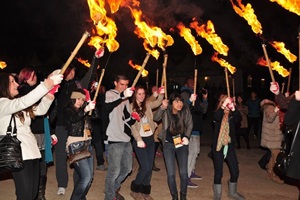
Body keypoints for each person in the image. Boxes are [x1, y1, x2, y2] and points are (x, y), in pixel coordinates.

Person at [0, 70, 62, 200]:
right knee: (25, 195)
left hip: (32, 153)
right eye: (12, 82)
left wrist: (50, 94)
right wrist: (47, 84)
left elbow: (40, 110)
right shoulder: (3, 104)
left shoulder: (16, 104)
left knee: (33, 193)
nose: (17, 84)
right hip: (18, 155)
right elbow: (25, 101)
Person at [18, 68, 58, 200]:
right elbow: (35, 100)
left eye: (35, 74)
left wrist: (51, 132)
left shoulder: (37, 90)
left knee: (42, 167)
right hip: (30, 135)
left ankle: (40, 194)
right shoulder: (23, 92)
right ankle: (28, 194)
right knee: (30, 169)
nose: (34, 77)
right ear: (24, 77)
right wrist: (48, 85)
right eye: (31, 75)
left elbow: (46, 112)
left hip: (43, 131)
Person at [153, 93, 193, 200]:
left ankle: (183, 196)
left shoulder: (185, 111)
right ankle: (174, 196)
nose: (179, 103)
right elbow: (155, 117)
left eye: (180, 101)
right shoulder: (166, 111)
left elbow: (190, 124)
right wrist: (162, 107)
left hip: (181, 144)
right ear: (171, 103)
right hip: (168, 145)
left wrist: (187, 137)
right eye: (176, 101)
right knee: (171, 174)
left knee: (184, 173)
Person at [129, 85, 164, 200]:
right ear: (135, 95)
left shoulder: (147, 104)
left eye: (143, 93)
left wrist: (161, 93)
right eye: (139, 94)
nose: (142, 96)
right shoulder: (130, 107)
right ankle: (135, 189)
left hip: (150, 138)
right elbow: (133, 127)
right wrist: (138, 140)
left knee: (149, 168)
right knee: (145, 167)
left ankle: (145, 191)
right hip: (140, 140)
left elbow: (158, 102)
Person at [104, 74, 135, 200]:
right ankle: (110, 196)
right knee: (114, 170)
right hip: (114, 138)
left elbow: (126, 118)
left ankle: (111, 188)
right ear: (115, 83)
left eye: (126, 84)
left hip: (126, 138)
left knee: (127, 168)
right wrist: (123, 96)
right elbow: (108, 106)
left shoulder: (126, 98)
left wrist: (134, 118)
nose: (124, 87)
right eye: (122, 84)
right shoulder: (110, 94)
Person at [64, 88, 96, 199]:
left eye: (82, 100)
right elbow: (74, 119)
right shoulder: (69, 110)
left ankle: (81, 198)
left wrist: (90, 103)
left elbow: (96, 116)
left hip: (87, 144)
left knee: (89, 176)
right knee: (86, 177)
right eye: (77, 99)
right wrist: (86, 109)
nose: (80, 102)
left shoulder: (84, 110)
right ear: (73, 99)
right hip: (76, 145)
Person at [53, 66, 81, 195]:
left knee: (77, 155)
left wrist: (95, 58)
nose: (71, 73)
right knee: (60, 156)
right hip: (60, 126)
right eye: (69, 71)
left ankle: (79, 184)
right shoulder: (58, 86)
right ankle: (62, 184)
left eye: (73, 71)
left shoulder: (77, 87)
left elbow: (89, 77)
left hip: (74, 126)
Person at [212, 95, 244, 200]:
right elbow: (216, 117)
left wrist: (233, 109)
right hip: (218, 145)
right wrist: (223, 106)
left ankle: (232, 192)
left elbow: (239, 119)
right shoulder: (219, 113)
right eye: (224, 103)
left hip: (229, 145)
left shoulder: (232, 114)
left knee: (235, 171)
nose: (227, 105)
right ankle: (217, 195)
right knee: (218, 173)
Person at [180, 77, 208, 188]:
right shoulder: (185, 93)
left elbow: (203, 110)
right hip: (189, 128)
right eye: (191, 82)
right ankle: (186, 177)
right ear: (186, 83)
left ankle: (191, 171)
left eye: (194, 82)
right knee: (191, 152)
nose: (193, 84)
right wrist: (189, 101)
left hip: (196, 127)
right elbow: (182, 108)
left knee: (196, 152)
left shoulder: (194, 94)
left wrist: (205, 99)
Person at [260, 98, 284, 184]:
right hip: (272, 138)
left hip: (273, 138)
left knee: (273, 156)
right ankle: (274, 175)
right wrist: (276, 111)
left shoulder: (269, 108)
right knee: (276, 157)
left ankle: (269, 173)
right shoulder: (269, 108)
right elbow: (270, 118)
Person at [90, 84, 107, 171]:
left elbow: (103, 105)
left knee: (99, 142)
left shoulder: (102, 95)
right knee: (95, 143)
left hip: (100, 122)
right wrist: (92, 92)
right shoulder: (89, 94)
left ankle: (100, 163)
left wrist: (100, 93)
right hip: (92, 122)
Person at [147, 85, 163, 171]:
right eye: (154, 89)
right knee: (151, 147)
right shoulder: (149, 99)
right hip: (152, 126)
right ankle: (150, 164)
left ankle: (151, 163)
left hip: (159, 126)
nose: (156, 90)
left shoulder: (162, 99)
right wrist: (155, 95)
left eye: (157, 89)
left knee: (156, 146)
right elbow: (149, 102)